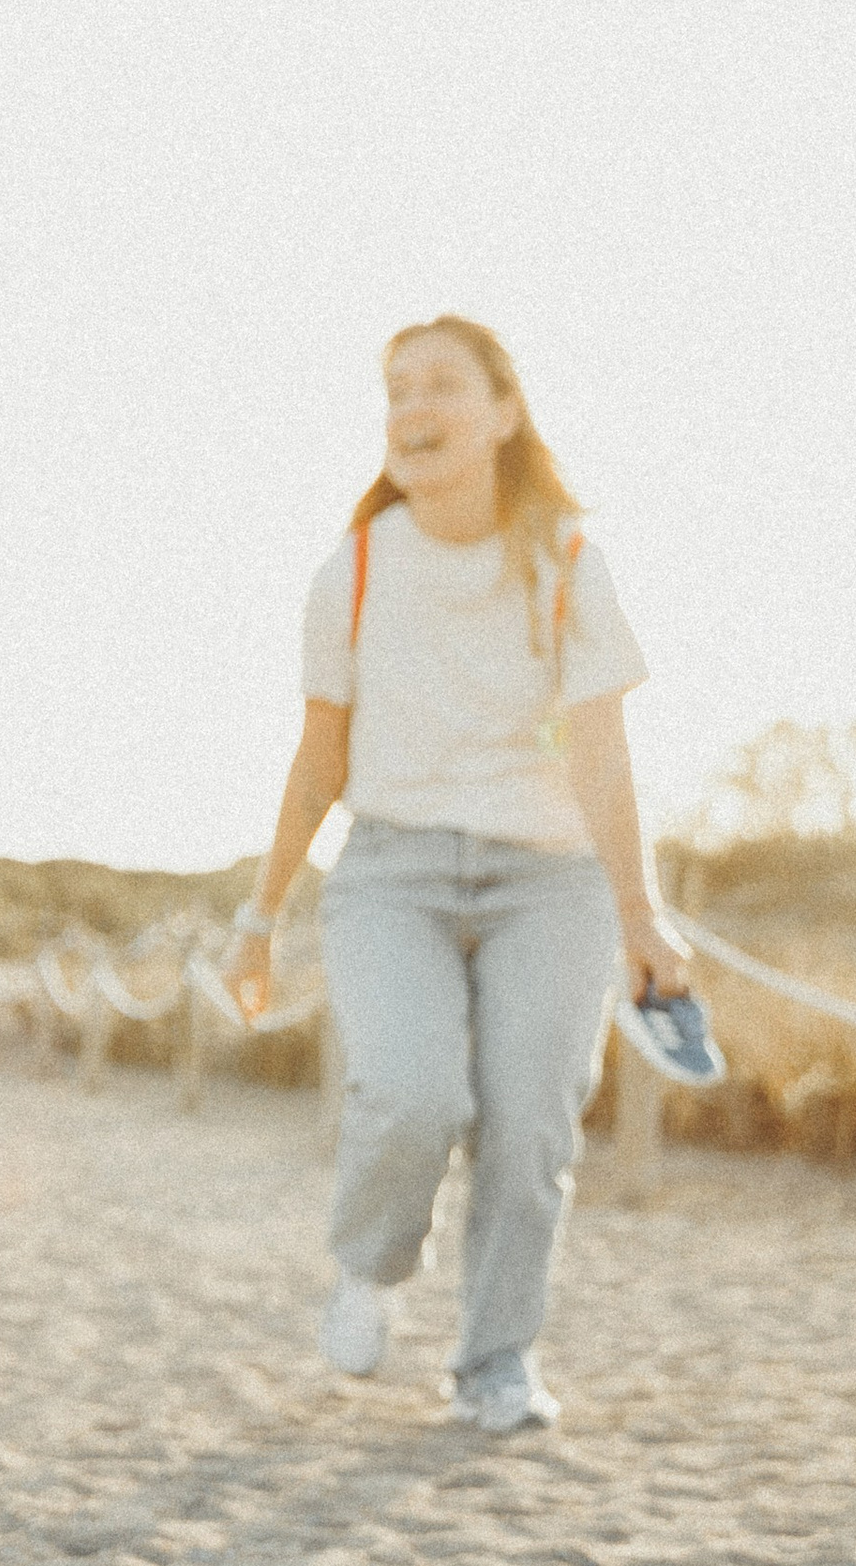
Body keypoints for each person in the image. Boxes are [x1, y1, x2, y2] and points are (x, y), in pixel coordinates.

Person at [222, 315, 688, 1435]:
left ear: (503, 413)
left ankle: (493, 1363)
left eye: (439, 386)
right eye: (393, 391)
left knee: (532, 1127)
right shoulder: (359, 565)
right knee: (413, 1094)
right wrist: (259, 915)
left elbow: (597, 751)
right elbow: (319, 757)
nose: (411, 409)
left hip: (551, 883)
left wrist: (641, 915)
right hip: (393, 872)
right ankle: (371, 1265)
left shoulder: (569, 558)